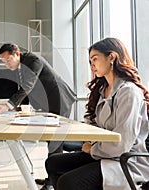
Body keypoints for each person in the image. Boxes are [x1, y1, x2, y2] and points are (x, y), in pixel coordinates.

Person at [45, 37, 149, 190]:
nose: (92, 65)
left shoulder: (129, 92)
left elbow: (122, 143)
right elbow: (93, 124)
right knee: (53, 162)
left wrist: (92, 149)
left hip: (123, 160)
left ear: (111, 57)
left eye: (95, 59)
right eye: (90, 61)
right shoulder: (102, 91)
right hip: (105, 153)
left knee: (68, 182)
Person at [0, 43, 76, 190]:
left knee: (55, 142)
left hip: (59, 99)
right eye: (3, 61)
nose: (7, 64)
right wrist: (17, 106)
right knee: (50, 140)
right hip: (47, 102)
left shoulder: (33, 60)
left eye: (8, 59)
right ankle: (52, 177)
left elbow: (28, 85)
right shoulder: (20, 67)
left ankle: (51, 183)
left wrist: (8, 105)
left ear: (17, 54)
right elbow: (27, 88)